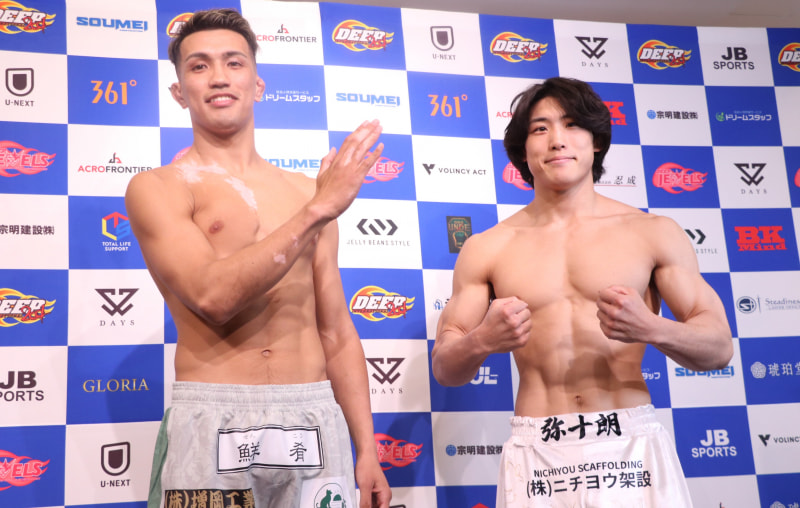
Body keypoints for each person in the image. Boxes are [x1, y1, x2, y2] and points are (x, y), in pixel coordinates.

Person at [124, 8, 391, 508]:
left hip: (312, 412)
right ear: (179, 92)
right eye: (199, 66)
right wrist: (317, 211)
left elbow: (336, 331)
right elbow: (212, 295)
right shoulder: (158, 188)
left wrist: (367, 449)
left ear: (258, 84)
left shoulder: (308, 192)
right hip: (213, 413)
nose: (219, 77)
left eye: (234, 62)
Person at [431, 77, 733, 507]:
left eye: (572, 125)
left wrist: (652, 328)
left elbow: (719, 347)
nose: (557, 140)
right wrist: (482, 340)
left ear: (597, 142)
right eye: (540, 128)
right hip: (539, 448)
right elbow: (445, 368)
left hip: (628, 442)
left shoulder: (652, 232)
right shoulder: (488, 247)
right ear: (523, 151)